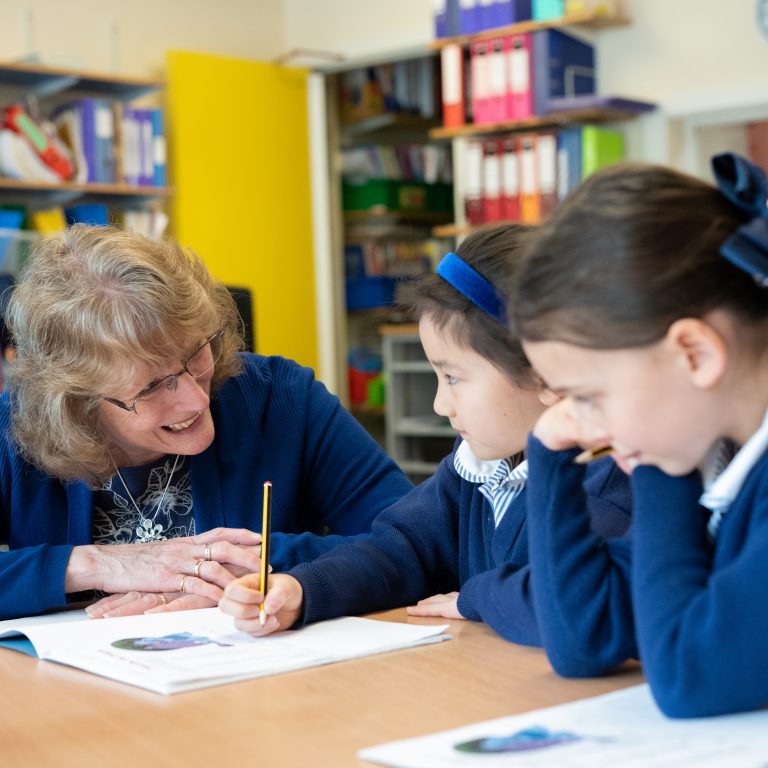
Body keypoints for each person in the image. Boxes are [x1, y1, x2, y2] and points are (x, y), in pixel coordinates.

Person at [219, 224, 632, 658]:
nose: (440, 403)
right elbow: (401, 549)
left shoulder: (611, 481)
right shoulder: (477, 465)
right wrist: (305, 589)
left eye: (453, 376)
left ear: (544, 372)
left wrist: (474, 598)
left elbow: (560, 602)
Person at [0, 224, 413, 621]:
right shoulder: (16, 430)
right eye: (153, 387)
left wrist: (247, 567)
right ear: (78, 402)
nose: (196, 399)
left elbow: (417, 542)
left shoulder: (283, 399)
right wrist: (92, 564)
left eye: (196, 354)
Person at [509, 152, 768, 718]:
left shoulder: (694, 468)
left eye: (588, 396)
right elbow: (585, 642)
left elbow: (686, 675)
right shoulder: (717, 459)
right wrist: (547, 458)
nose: (585, 426)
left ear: (694, 354)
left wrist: (654, 463)